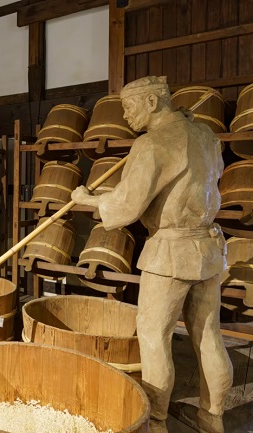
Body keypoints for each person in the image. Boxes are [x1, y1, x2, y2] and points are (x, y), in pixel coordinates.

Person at [71, 76, 232, 433]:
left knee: (154, 336)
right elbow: (211, 174)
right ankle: (213, 416)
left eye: (130, 106)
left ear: (153, 102)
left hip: (171, 251)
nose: (126, 116)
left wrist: (88, 200)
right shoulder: (206, 136)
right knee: (209, 335)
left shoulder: (151, 144)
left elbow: (127, 207)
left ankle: (156, 422)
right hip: (207, 248)